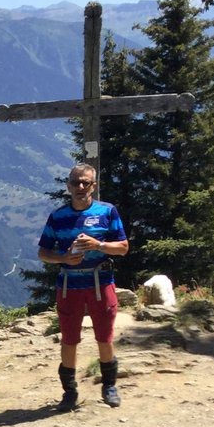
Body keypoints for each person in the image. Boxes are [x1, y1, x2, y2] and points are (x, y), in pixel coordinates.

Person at [36, 163, 130, 411]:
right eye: (75, 182)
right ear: (68, 185)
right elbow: (43, 252)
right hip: (69, 284)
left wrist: (97, 245)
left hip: (101, 282)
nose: (80, 187)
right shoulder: (57, 217)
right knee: (69, 338)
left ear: (93, 185)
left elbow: (123, 247)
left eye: (85, 182)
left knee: (105, 336)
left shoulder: (107, 212)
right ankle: (70, 392)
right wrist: (64, 258)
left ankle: (109, 386)